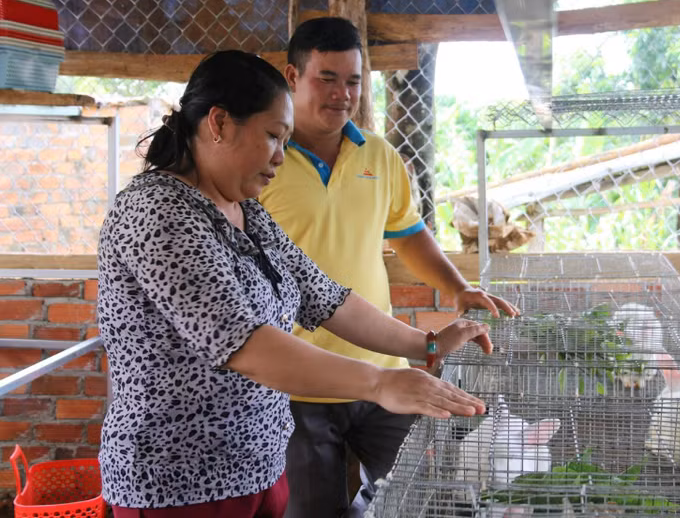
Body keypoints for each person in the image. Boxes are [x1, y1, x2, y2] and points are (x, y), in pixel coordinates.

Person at [96, 50, 493, 518]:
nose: (280, 157)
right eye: (272, 136)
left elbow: (326, 298)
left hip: (258, 466)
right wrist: (380, 382)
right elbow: (242, 343)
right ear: (219, 123)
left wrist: (428, 345)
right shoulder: (156, 211)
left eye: (285, 141)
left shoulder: (247, 211)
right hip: (179, 483)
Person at [258, 17, 518, 517]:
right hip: (297, 379)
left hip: (384, 369)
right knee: (312, 511)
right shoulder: (264, 160)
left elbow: (408, 233)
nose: (342, 94)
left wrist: (458, 288)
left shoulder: (378, 155)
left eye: (353, 81)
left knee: (419, 499)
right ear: (292, 76)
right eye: (327, 78)